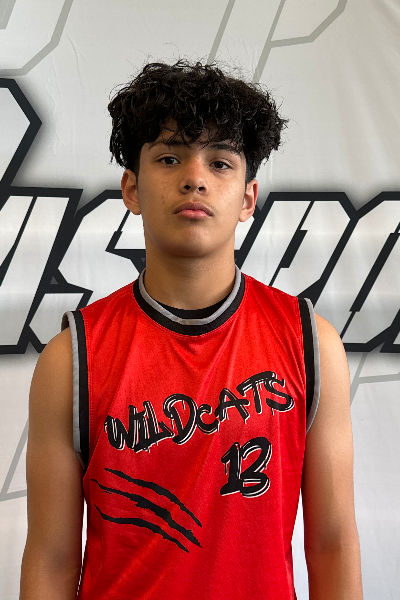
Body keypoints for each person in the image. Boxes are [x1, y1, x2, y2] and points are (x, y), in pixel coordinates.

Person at [20, 60, 363, 600]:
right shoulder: (73, 358)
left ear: (248, 198)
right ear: (131, 189)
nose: (195, 178)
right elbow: (52, 559)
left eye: (220, 162)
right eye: (169, 157)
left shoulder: (310, 343)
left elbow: (332, 543)